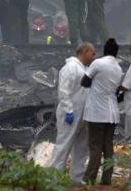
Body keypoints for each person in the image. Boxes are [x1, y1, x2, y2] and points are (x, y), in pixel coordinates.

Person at [50, 42, 95, 185]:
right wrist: (69, 110)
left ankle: (76, 178)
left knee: (81, 147)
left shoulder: (84, 68)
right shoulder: (70, 68)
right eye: (92, 53)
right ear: (85, 51)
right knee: (64, 145)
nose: (93, 56)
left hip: (83, 114)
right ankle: (54, 177)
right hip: (71, 113)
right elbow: (64, 91)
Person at [81, 38, 122, 185]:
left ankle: (89, 179)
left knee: (95, 146)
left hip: (97, 112)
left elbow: (84, 82)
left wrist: (96, 82)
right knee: (108, 146)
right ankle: (107, 179)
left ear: (104, 50)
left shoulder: (98, 63)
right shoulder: (118, 69)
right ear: (116, 52)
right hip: (112, 114)